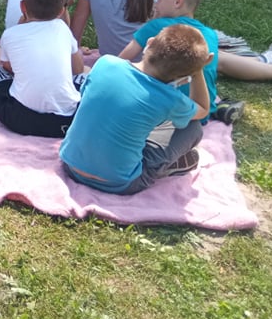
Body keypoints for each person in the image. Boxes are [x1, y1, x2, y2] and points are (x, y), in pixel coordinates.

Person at [118, 0, 272, 123]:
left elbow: (121, 61)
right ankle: (265, 65)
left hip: (161, 113)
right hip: (201, 111)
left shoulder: (155, 27)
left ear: (177, 1)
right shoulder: (208, 35)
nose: (156, 4)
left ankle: (268, 65)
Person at [59, 24, 213, 195]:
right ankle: (163, 168)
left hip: (70, 165)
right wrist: (198, 70)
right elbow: (203, 109)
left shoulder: (106, 63)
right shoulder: (171, 99)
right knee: (193, 127)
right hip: (121, 183)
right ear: (184, 76)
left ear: (150, 42)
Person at [0, 0, 84, 137]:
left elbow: (8, 67)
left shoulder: (11, 34)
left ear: (22, 6)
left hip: (21, 119)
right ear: (61, 11)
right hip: (68, 120)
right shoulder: (62, 28)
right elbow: (78, 69)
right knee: (87, 71)